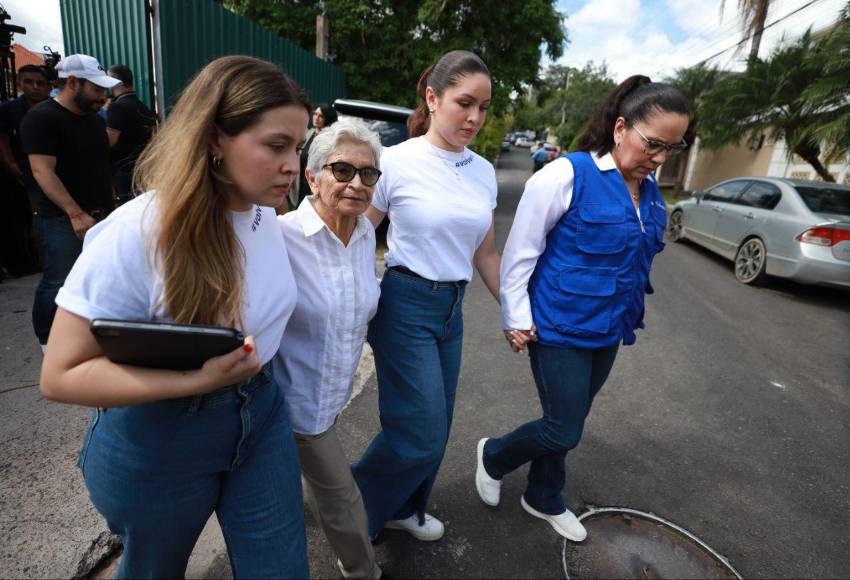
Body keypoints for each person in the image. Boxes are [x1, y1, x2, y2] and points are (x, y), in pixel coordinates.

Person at [39, 55, 311, 578]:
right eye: (276, 146)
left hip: (261, 415)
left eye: (296, 147)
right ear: (213, 139)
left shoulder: (264, 214)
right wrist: (196, 379)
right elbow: (60, 374)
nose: (292, 166)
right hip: (162, 437)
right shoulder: (140, 230)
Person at [475, 76, 690, 541]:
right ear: (620, 128)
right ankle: (493, 455)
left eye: (672, 149)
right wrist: (516, 317)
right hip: (558, 325)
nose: (659, 158)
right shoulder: (566, 174)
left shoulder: (650, 191)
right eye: (653, 144)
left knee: (571, 419)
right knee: (562, 428)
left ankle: (544, 495)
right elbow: (522, 252)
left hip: (609, 329)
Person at [352, 50, 501, 542]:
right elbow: (355, 238)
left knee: (438, 427)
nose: (475, 117)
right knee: (419, 433)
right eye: (464, 103)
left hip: (452, 309)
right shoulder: (394, 162)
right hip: (404, 303)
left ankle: (406, 508)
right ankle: (352, 513)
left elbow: (485, 253)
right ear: (432, 98)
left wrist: (517, 312)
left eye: (483, 106)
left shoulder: (482, 170)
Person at [275, 117, 383, 579]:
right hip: (293, 405)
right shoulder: (277, 237)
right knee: (342, 498)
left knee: (307, 484)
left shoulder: (362, 236)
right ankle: (364, 570)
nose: (357, 184)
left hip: (331, 397)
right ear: (312, 177)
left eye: (368, 174)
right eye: (342, 171)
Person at [20, 54, 120, 351]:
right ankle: (48, 343)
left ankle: (90, 337)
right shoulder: (41, 118)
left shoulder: (93, 120)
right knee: (58, 280)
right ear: (73, 82)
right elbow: (42, 171)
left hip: (101, 213)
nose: (102, 96)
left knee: (98, 278)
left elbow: (100, 164)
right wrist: (75, 213)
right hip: (63, 219)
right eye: (97, 89)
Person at [0, 64, 50, 278]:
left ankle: (40, 259)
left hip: (47, 172)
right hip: (19, 173)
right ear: (20, 84)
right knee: (20, 220)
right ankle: (23, 262)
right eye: (29, 82)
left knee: (42, 218)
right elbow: (3, 140)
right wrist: (11, 165)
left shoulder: (52, 109)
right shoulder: (9, 110)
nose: (35, 87)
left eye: (40, 83)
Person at [105, 64, 157, 204]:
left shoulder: (117, 107)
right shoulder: (143, 107)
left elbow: (108, 142)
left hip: (123, 172)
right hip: (142, 170)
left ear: (115, 80)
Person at [295, 103, 338, 208]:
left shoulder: (331, 138)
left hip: (319, 186)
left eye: (321, 116)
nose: (316, 118)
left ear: (328, 118)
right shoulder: (308, 134)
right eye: (315, 114)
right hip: (301, 186)